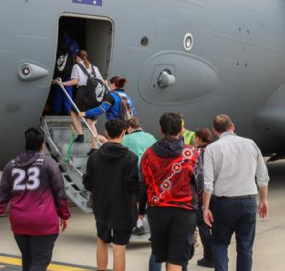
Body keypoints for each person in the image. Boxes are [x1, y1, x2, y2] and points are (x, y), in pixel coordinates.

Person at [0, 128, 71, 271]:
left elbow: (2, 194)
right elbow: (59, 192)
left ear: (25, 143)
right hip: (43, 222)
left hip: (19, 222)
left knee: (28, 260)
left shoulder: (10, 165)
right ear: (42, 144)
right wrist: (64, 214)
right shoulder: (48, 163)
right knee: (39, 262)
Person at [202, 115, 269, 271]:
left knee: (219, 244)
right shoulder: (250, 144)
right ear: (233, 126)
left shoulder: (211, 149)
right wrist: (263, 199)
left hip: (223, 204)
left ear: (215, 131)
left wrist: (206, 208)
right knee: (245, 247)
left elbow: (208, 183)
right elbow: (262, 176)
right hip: (247, 202)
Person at [140, 112, 200, 271]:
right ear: (181, 129)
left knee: (162, 254)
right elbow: (199, 182)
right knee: (176, 258)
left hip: (157, 210)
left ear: (161, 129)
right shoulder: (192, 153)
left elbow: (143, 184)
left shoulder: (148, 154)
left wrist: (141, 208)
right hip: (184, 210)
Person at [83, 119, 139, 271]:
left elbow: (88, 184)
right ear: (123, 133)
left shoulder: (94, 158)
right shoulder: (131, 158)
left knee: (101, 241)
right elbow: (133, 186)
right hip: (124, 208)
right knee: (119, 248)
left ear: (106, 133)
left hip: (102, 207)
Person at [61, 50, 104, 146]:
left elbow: (75, 81)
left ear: (77, 57)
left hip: (83, 92)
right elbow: (102, 81)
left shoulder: (76, 66)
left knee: (73, 112)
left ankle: (80, 134)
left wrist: (62, 83)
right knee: (90, 122)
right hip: (94, 94)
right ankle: (94, 147)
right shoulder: (94, 68)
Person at [194, 127, 214, 268]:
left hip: (202, 194)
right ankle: (218, 255)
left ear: (198, 138)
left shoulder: (196, 153)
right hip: (217, 193)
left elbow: (196, 174)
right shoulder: (215, 150)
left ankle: (209, 257)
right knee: (215, 224)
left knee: (203, 225)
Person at [51, 32, 80, 115]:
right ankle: (67, 111)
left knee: (58, 91)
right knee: (68, 92)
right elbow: (76, 56)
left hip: (59, 71)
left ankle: (56, 110)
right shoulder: (73, 43)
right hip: (69, 71)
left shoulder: (58, 42)